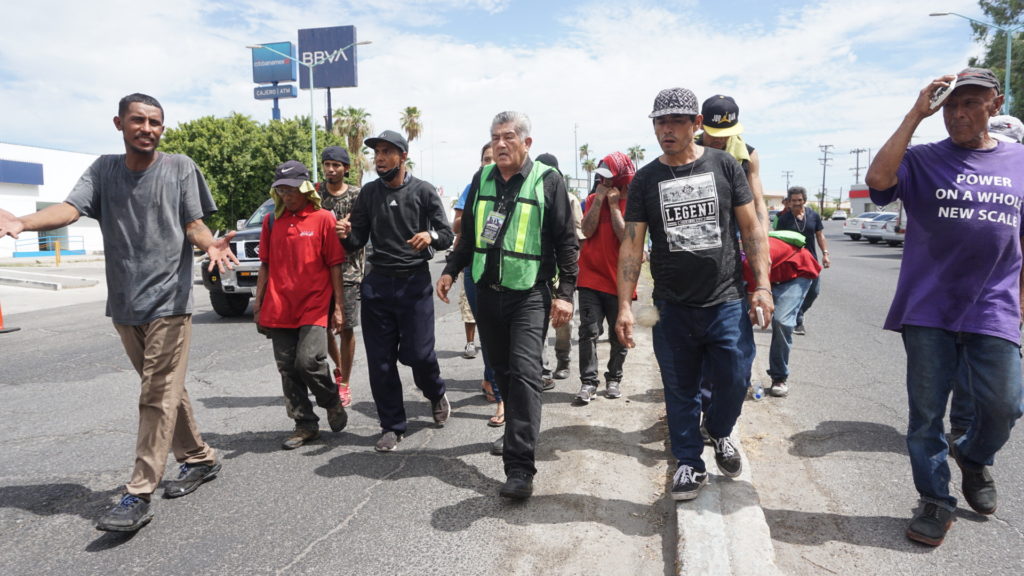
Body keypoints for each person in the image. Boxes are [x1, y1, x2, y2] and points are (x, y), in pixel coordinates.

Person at [0, 93, 234, 532]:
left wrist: (209, 245)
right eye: (139, 120)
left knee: (155, 393)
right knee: (164, 389)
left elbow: (193, 223)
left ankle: (139, 491)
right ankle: (200, 458)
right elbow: (70, 209)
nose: (147, 128)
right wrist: (23, 222)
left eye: (155, 122)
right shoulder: (103, 170)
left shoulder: (179, 166)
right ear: (119, 123)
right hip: (125, 303)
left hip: (169, 299)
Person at [865, 67, 1024, 547]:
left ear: (994, 105)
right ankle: (935, 500)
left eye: (971, 103)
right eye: (952, 105)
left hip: (994, 306)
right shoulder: (923, 159)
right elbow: (878, 179)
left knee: (1005, 404)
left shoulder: (1019, 160)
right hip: (929, 307)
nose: (958, 113)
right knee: (927, 416)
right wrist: (917, 113)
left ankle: (974, 457)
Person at [615, 87, 772, 502]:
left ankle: (720, 432)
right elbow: (632, 244)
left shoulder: (723, 166)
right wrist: (624, 306)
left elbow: (752, 228)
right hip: (672, 305)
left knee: (735, 378)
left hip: (725, 300)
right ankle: (688, 462)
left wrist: (761, 285)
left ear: (696, 125)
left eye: (676, 121)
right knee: (679, 388)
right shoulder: (646, 178)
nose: (666, 130)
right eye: (659, 122)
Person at [437, 111, 579, 499]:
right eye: (495, 137)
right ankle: (516, 435)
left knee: (524, 373)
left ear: (526, 143)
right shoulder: (481, 179)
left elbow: (567, 241)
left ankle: (519, 469)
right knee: (502, 373)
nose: (501, 144)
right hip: (487, 292)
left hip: (530, 294)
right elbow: (469, 236)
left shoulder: (547, 181)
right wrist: (452, 269)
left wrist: (565, 292)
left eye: (509, 137)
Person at [336, 130, 454, 452]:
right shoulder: (370, 194)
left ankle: (436, 392)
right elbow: (356, 240)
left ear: (402, 156)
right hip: (377, 286)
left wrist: (430, 236)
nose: (380, 158)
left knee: (418, 355)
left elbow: (447, 234)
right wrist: (345, 233)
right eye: (377, 153)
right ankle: (392, 425)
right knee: (381, 361)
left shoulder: (423, 191)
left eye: (387, 152)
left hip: (413, 285)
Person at [255, 160, 349, 450]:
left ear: (306, 188)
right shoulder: (272, 221)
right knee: (287, 367)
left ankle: (331, 400)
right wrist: (258, 304)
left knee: (308, 361)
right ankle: (304, 423)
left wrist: (338, 307)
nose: (286, 195)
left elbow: (334, 265)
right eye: (281, 190)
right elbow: (265, 265)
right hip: (279, 304)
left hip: (314, 303)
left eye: (291, 189)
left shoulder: (323, 219)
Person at [575, 151, 636, 404]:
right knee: (588, 331)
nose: (604, 181)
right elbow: (586, 231)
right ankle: (588, 382)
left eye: (609, 178)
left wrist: (613, 208)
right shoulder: (592, 198)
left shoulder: (633, 202)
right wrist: (599, 201)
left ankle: (614, 378)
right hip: (590, 277)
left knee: (618, 333)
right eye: (601, 177)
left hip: (619, 281)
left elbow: (627, 239)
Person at [452, 142, 504, 427]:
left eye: (493, 158)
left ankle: (501, 391)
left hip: (509, 272)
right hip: (474, 268)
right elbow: (456, 226)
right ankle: (496, 388)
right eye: (485, 159)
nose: (489, 163)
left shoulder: (516, 186)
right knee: (488, 330)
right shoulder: (474, 186)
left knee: (504, 333)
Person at [742, 233, 821, 397]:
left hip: (795, 274)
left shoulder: (747, 262)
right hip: (768, 279)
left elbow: (754, 311)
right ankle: (741, 379)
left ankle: (779, 377)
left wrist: (756, 313)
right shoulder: (732, 262)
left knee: (782, 322)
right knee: (739, 325)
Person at [319, 146, 363, 408]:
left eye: (336, 165)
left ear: (346, 168)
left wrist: (349, 229)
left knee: (345, 327)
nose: (331, 169)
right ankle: (338, 367)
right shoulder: (315, 193)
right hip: (321, 271)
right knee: (321, 328)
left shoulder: (358, 195)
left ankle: (344, 383)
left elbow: (363, 231)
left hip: (349, 270)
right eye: (327, 164)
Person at [536, 152, 583, 386]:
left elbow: (576, 239)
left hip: (561, 271)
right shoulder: (531, 195)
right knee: (539, 322)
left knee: (564, 323)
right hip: (539, 272)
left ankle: (563, 361)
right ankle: (542, 369)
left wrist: (569, 276)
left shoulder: (570, 198)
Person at [696, 94, 769, 230]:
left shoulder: (748, 155)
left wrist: (763, 237)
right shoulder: (688, 153)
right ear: (700, 124)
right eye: (715, 133)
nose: (720, 139)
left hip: (737, 231)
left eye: (726, 133)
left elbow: (758, 202)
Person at [773, 186, 830, 335]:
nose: (797, 203)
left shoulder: (813, 215)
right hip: (792, 263)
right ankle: (798, 321)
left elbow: (820, 235)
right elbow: (779, 242)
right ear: (789, 202)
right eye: (794, 200)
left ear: (804, 200)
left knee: (814, 292)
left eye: (800, 200)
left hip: (811, 261)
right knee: (795, 293)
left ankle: (799, 312)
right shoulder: (784, 219)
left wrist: (825, 253)